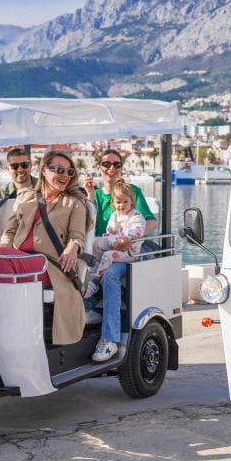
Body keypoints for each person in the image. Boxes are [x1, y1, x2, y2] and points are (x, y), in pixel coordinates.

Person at [0, 150, 89, 346]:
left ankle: (6, 332)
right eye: (58, 169)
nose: (65, 175)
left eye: (69, 171)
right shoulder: (26, 197)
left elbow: (77, 235)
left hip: (49, 265)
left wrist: (73, 247)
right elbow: (9, 231)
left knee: (0, 262)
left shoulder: (74, 203)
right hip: (19, 258)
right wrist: (3, 251)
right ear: (43, 170)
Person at [81, 148, 159, 357]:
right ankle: (85, 310)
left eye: (116, 164)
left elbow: (150, 221)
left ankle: (110, 339)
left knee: (110, 275)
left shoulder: (131, 191)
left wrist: (128, 238)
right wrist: (88, 196)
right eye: (106, 164)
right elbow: (90, 226)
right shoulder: (96, 195)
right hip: (100, 248)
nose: (111, 168)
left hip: (123, 252)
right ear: (99, 168)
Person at [84, 178, 146, 302]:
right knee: (95, 242)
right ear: (113, 202)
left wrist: (123, 240)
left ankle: (96, 280)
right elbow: (109, 233)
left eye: (125, 202)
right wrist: (113, 241)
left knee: (107, 255)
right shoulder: (114, 216)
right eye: (118, 202)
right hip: (115, 245)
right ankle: (95, 266)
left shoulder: (136, 216)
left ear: (131, 202)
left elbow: (135, 233)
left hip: (129, 252)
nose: (121, 205)